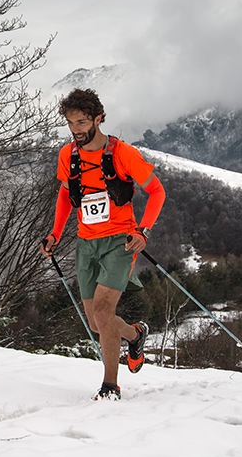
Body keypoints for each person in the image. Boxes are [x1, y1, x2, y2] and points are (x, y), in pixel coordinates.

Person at [40, 88, 165, 401]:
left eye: (82, 122)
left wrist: (143, 231)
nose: (76, 130)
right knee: (98, 323)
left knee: (103, 311)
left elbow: (157, 191)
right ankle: (136, 335)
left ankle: (110, 386)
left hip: (119, 243)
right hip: (86, 244)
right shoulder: (67, 155)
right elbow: (66, 195)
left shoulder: (122, 153)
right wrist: (55, 233)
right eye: (70, 123)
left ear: (98, 118)